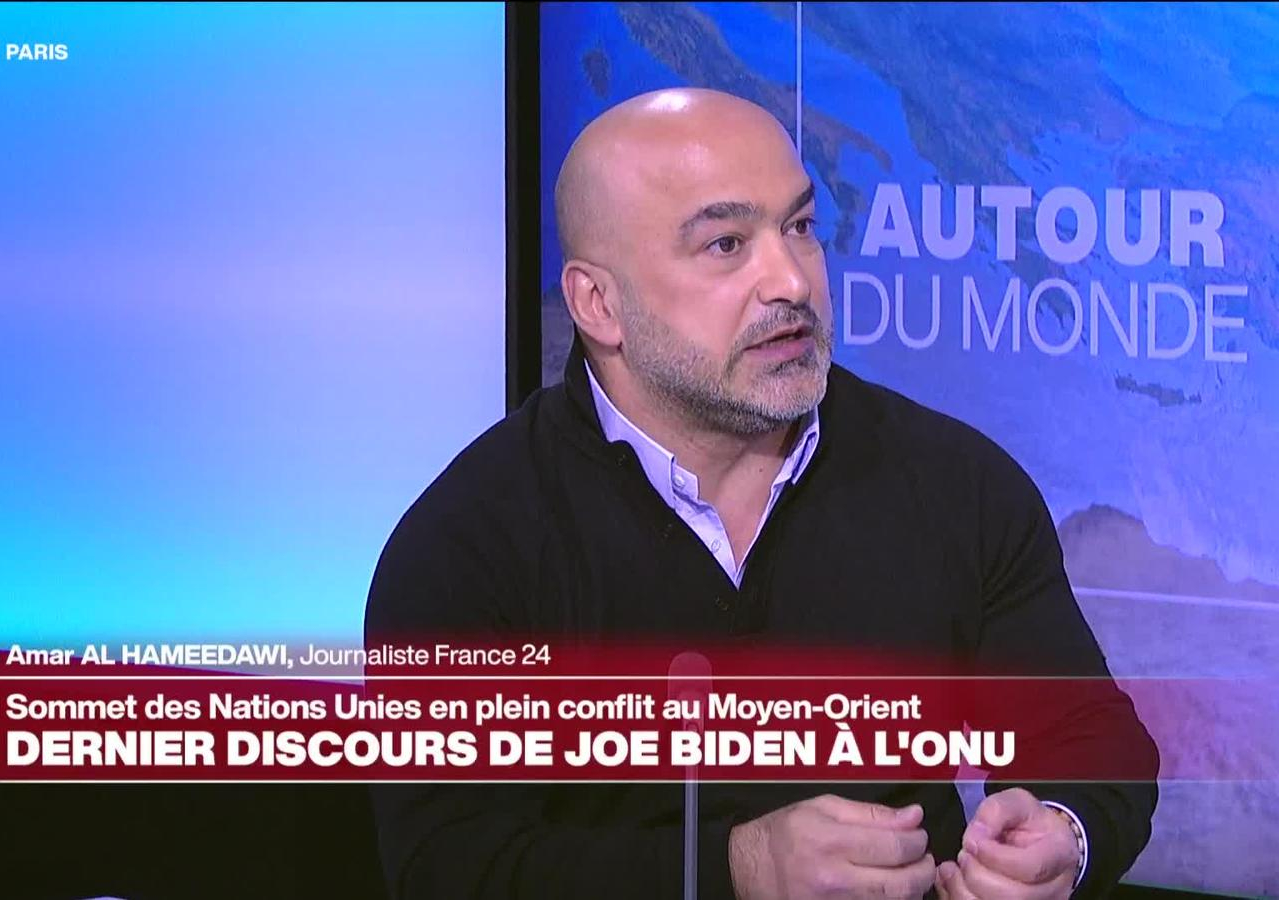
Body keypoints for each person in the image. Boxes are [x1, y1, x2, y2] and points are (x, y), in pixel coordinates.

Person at [366, 88, 1158, 900]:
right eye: (726, 244)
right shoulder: (468, 546)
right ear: (599, 305)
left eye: (801, 227)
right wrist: (738, 870)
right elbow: (452, 865)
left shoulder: (956, 483)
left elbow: (1091, 735)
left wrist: (1064, 831)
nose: (791, 280)